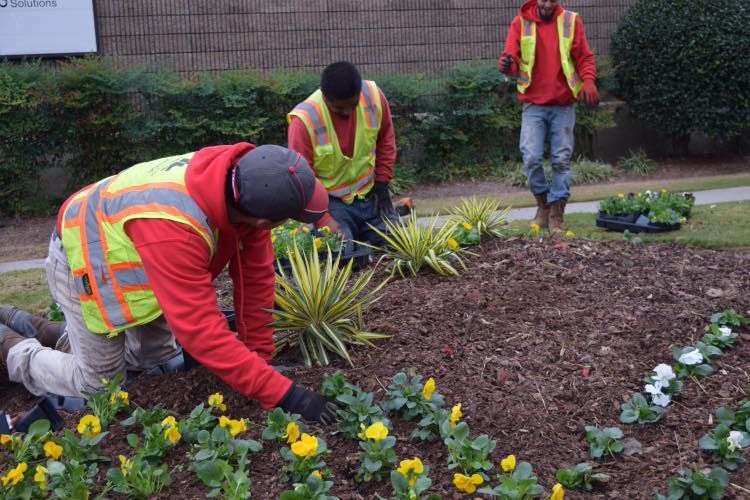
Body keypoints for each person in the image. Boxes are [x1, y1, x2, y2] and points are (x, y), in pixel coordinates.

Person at [0, 144, 339, 424]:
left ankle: (45, 328)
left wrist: (260, 361)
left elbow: (255, 283)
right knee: (100, 385)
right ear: (266, 220)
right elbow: (201, 331)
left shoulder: (240, 181)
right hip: (83, 255)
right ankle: (13, 347)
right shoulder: (177, 227)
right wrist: (288, 395)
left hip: (136, 261)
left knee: (155, 361)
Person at [499, 0, 599, 234]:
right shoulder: (520, 23)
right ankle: (543, 204)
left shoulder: (570, 21)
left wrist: (589, 80)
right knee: (531, 156)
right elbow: (511, 60)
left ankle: (557, 213)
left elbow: (584, 57)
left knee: (561, 160)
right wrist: (506, 65)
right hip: (533, 104)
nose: (547, 4)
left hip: (563, 104)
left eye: (551, 0)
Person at [287, 61, 399, 254]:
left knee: (399, 242)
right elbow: (301, 181)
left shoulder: (373, 96)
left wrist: (382, 185)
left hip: (370, 195)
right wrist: (323, 220)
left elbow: (386, 140)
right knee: (343, 252)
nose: (347, 112)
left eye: (353, 105)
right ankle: (351, 237)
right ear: (325, 97)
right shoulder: (304, 121)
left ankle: (360, 234)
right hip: (330, 204)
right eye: (339, 110)